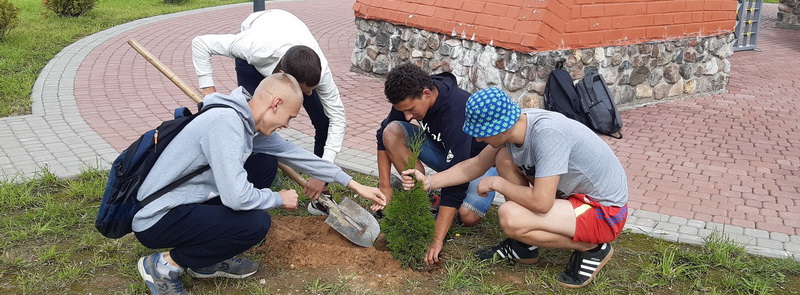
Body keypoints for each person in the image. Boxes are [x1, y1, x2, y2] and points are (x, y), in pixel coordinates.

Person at [134, 74, 386, 295]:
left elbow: (297, 155)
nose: (287, 125)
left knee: (264, 165)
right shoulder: (226, 124)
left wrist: (352, 183)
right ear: (276, 103)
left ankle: (204, 261)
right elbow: (236, 198)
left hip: (187, 201)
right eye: (289, 117)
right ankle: (164, 266)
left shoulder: (250, 126)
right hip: (158, 217)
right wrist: (278, 198)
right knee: (255, 224)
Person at [401, 87, 628, 288]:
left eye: (480, 134)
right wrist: (430, 182)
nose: (478, 140)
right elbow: (475, 165)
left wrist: (499, 183)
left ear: (498, 127)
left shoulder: (547, 134)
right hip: (574, 200)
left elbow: (541, 202)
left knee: (510, 217)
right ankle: (523, 247)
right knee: (503, 158)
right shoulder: (515, 129)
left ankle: (593, 248)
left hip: (604, 211)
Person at [191, 9, 345, 213]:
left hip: (289, 35)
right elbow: (201, 44)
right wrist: (209, 97)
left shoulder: (319, 72)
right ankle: (241, 187)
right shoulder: (252, 48)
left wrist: (323, 173)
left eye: (312, 88)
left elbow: (338, 118)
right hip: (258, 49)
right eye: (304, 89)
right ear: (283, 76)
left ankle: (320, 191)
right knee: (252, 124)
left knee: (324, 120)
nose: (309, 94)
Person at [375, 63, 499, 265]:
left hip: (478, 165)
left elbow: (457, 180)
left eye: (411, 110)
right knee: (391, 131)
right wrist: (385, 187)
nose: (408, 117)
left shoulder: (457, 114)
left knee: (468, 216)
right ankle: (421, 194)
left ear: (426, 93)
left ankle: (438, 196)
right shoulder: (408, 92)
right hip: (445, 155)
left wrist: (436, 239)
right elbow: (382, 136)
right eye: (403, 111)